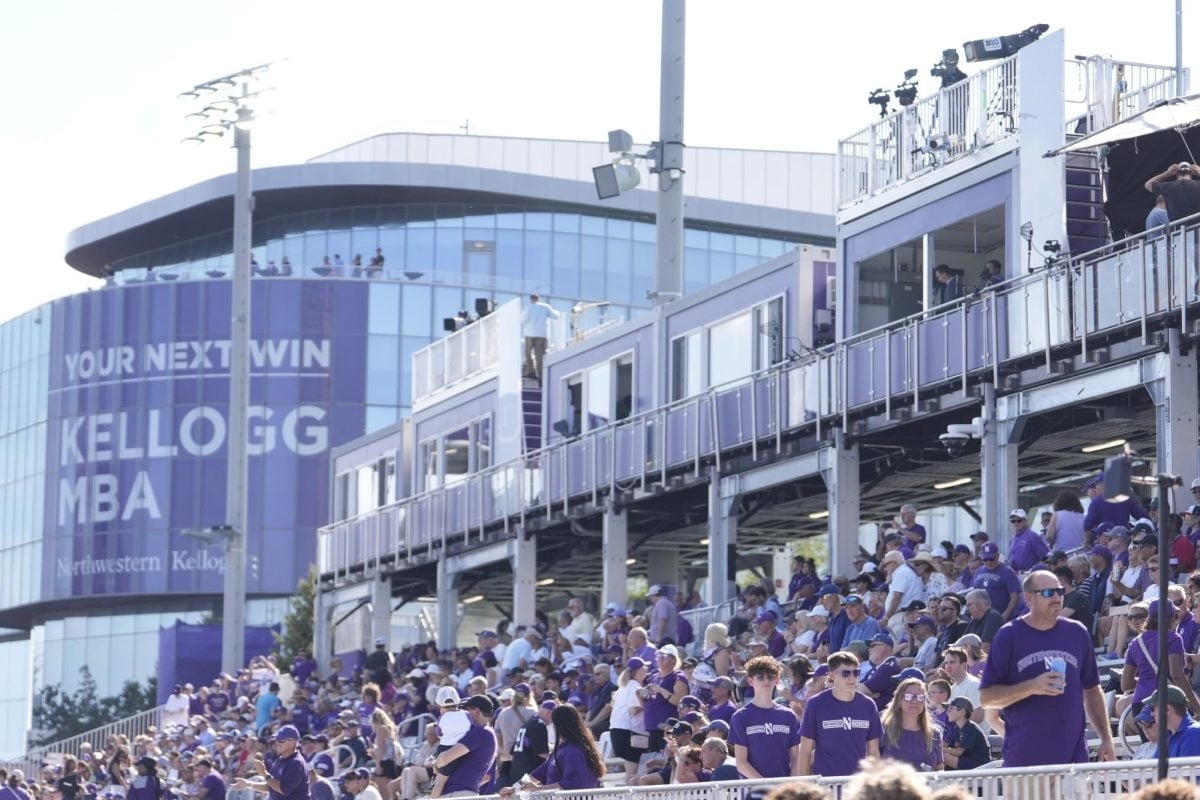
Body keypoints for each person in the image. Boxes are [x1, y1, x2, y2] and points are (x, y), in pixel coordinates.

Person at [979, 570, 1115, 766]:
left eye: (1059, 591)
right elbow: (987, 698)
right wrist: (1032, 687)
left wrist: (1106, 739)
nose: (1056, 598)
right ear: (1029, 598)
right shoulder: (1008, 636)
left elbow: (1093, 691)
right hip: (1025, 762)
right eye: (1048, 593)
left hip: (1073, 762)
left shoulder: (1077, 632)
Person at [798, 651, 882, 776]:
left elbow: (874, 751)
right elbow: (805, 750)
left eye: (856, 673)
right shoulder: (815, 704)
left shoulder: (868, 705)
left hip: (857, 785)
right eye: (845, 673)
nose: (852, 677)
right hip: (826, 785)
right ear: (832, 675)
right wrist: (801, 786)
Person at [500, 704, 605, 794]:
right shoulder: (560, 749)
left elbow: (571, 785)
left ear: (559, 725)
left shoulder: (574, 752)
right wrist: (515, 788)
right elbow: (536, 775)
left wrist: (539, 789)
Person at [729, 655, 803, 778]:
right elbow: (741, 762)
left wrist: (792, 785)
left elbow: (796, 757)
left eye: (770, 677)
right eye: (760, 677)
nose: (766, 681)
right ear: (750, 681)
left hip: (783, 790)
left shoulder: (789, 716)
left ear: (777, 680)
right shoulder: (741, 716)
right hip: (753, 790)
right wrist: (765, 786)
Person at [432, 695, 498, 798]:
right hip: (463, 793)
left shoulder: (481, 732)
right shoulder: (486, 733)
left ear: (476, 711)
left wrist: (436, 765)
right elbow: (485, 778)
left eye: (466, 710)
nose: (462, 714)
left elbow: (444, 759)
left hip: (458, 794)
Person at [879, 677, 943, 771]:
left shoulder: (934, 733)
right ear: (899, 700)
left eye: (920, 697)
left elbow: (940, 769)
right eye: (908, 696)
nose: (914, 701)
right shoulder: (883, 729)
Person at [234, 725, 310, 800]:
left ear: (292, 743)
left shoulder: (296, 763)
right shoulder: (280, 759)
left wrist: (264, 773)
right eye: (276, 740)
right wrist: (248, 784)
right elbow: (270, 786)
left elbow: (283, 790)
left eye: (281, 740)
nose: (277, 743)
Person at [1145, 684, 1200, 757]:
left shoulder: (1194, 734)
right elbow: (1155, 767)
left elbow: (1187, 768)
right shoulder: (1166, 736)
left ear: (1167, 709)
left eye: (1152, 709)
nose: (1152, 714)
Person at [941, 697, 990, 770]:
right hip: (966, 760)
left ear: (962, 712)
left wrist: (939, 748)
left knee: (942, 755)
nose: (947, 712)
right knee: (939, 755)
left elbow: (959, 752)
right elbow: (954, 747)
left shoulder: (970, 728)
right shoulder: (957, 728)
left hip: (979, 764)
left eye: (950, 709)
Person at [520, 294, 559, 381]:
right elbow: (555, 316)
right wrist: (557, 311)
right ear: (538, 299)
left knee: (528, 353)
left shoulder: (529, 307)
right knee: (540, 355)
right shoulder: (545, 307)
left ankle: (531, 371)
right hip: (541, 335)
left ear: (531, 299)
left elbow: (523, 320)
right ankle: (541, 374)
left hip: (529, 334)